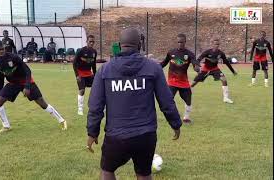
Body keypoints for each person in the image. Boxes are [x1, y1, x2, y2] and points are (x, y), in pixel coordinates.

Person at [86, 28, 182, 180]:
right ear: (140, 45)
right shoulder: (153, 67)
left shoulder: (105, 70)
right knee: (144, 174)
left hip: (116, 137)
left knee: (107, 171)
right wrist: (176, 124)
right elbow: (167, 102)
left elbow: (95, 107)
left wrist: (92, 132)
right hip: (146, 135)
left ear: (119, 45)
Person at [0, 40, 67, 133]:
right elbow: (0, 79)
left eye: (2, 49)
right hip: (13, 83)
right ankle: (6, 126)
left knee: (42, 103)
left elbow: (27, 70)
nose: (1, 51)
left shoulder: (13, 57)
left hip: (25, 81)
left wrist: (27, 86)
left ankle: (62, 120)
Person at [161, 33, 200, 124]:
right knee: (169, 99)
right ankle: (172, 117)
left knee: (188, 99)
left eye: (181, 42)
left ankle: (186, 117)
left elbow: (195, 63)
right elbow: (164, 63)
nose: (180, 44)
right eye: (178, 42)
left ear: (185, 42)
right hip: (172, 81)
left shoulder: (189, 54)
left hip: (183, 81)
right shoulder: (171, 52)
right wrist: (155, 67)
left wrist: (196, 67)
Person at [191, 38, 237, 104]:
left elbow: (226, 62)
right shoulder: (207, 52)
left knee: (224, 79)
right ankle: (187, 92)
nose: (217, 45)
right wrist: (196, 66)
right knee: (194, 82)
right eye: (215, 44)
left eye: (218, 44)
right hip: (205, 69)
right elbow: (199, 59)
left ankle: (226, 98)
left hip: (215, 69)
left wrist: (233, 71)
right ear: (212, 44)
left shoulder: (220, 53)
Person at [73, 35, 97, 115]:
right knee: (82, 90)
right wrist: (77, 75)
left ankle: (96, 106)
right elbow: (74, 63)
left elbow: (93, 65)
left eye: (93, 42)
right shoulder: (81, 51)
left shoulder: (94, 52)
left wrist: (95, 75)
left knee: (97, 88)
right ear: (86, 41)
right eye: (90, 41)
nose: (91, 43)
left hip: (89, 73)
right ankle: (80, 109)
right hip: (80, 73)